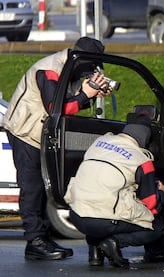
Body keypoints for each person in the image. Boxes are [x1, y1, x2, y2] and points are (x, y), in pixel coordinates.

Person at [2, 36, 110, 260]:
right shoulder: (49, 70)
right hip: (25, 132)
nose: (90, 72)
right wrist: (84, 96)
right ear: (83, 59)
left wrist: (89, 96)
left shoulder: (69, 67)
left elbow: (68, 101)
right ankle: (35, 241)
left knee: (43, 187)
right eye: (92, 67)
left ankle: (41, 237)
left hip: (40, 133)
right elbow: (56, 109)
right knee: (31, 187)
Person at [64, 117, 164, 268]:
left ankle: (95, 252)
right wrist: (162, 192)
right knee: (157, 228)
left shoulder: (98, 143)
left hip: (76, 215)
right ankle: (114, 243)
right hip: (103, 221)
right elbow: (150, 202)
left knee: (97, 203)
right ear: (146, 139)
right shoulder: (141, 160)